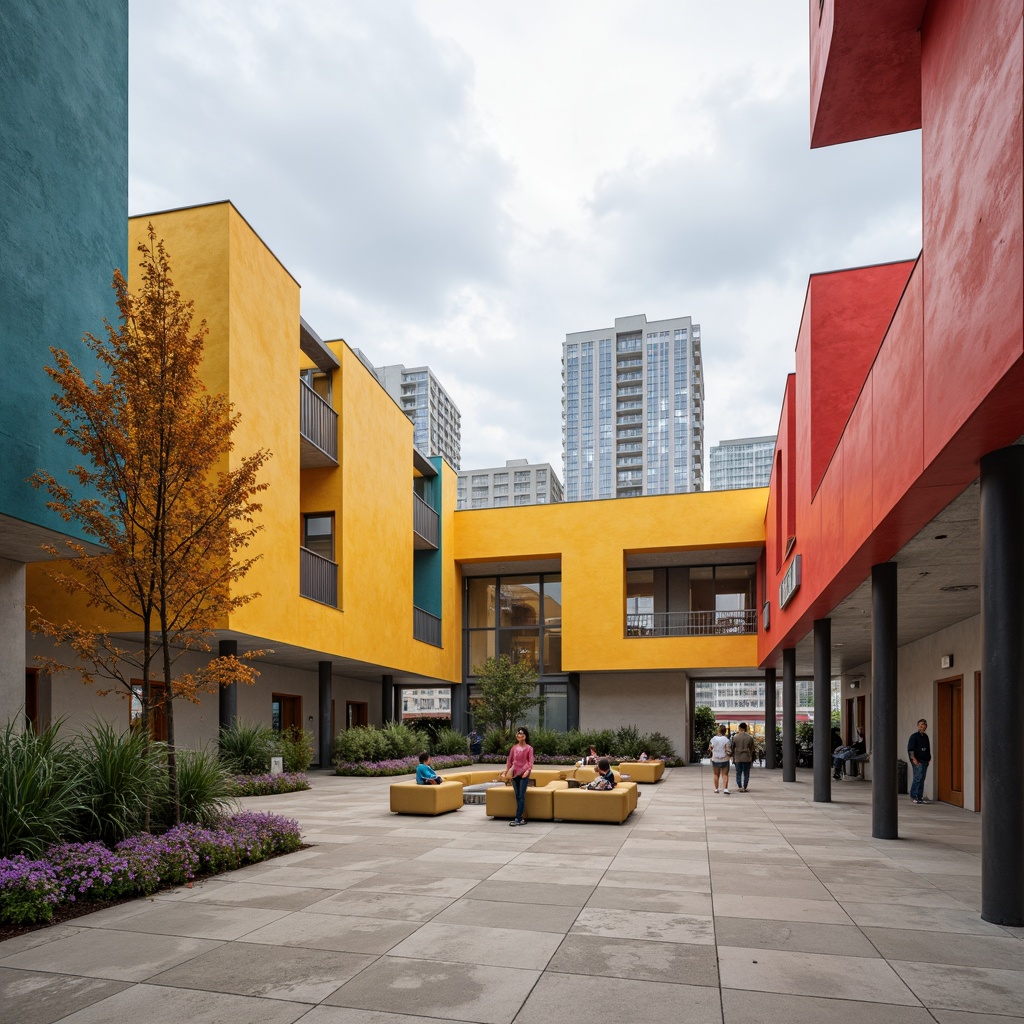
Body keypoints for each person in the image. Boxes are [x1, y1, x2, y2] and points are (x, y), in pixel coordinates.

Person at [501, 726, 534, 826]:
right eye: (519, 733)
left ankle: (518, 818)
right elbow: (509, 761)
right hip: (514, 774)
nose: (520, 735)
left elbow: (530, 761)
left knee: (521, 796)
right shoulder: (514, 748)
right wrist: (506, 771)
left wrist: (527, 771)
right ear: (516, 735)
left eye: (522, 733)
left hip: (524, 774)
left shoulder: (529, 748)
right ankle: (520, 817)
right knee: (517, 796)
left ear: (525, 735)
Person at [908, 718, 931, 803]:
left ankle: (919, 797)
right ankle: (914, 796)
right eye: (921, 724)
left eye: (924, 725)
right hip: (917, 761)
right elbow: (910, 749)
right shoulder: (914, 736)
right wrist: (913, 759)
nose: (922, 726)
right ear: (918, 726)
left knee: (922, 779)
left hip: (925, 761)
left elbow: (928, 748)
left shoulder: (926, 737)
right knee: (917, 778)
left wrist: (929, 758)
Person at [731, 722, 755, 792]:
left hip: (738, 757)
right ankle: (745, 786)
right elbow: (752, 748)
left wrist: (732, 755)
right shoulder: (750, 737)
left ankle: (740, 786)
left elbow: (732, 747)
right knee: (746, 773)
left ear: (740, 728)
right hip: (747, 757)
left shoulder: (735, 737)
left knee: (738, 773)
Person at [708, 724, 732, 794]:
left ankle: (716, 789)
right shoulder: (726, 740)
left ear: (718, 731)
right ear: (725, 731)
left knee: (716, 774)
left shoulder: (714, 739)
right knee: (725, 774)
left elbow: (710, 748)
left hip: (715, 759)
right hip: (725, 759)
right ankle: (725, 789)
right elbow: (728, 750)